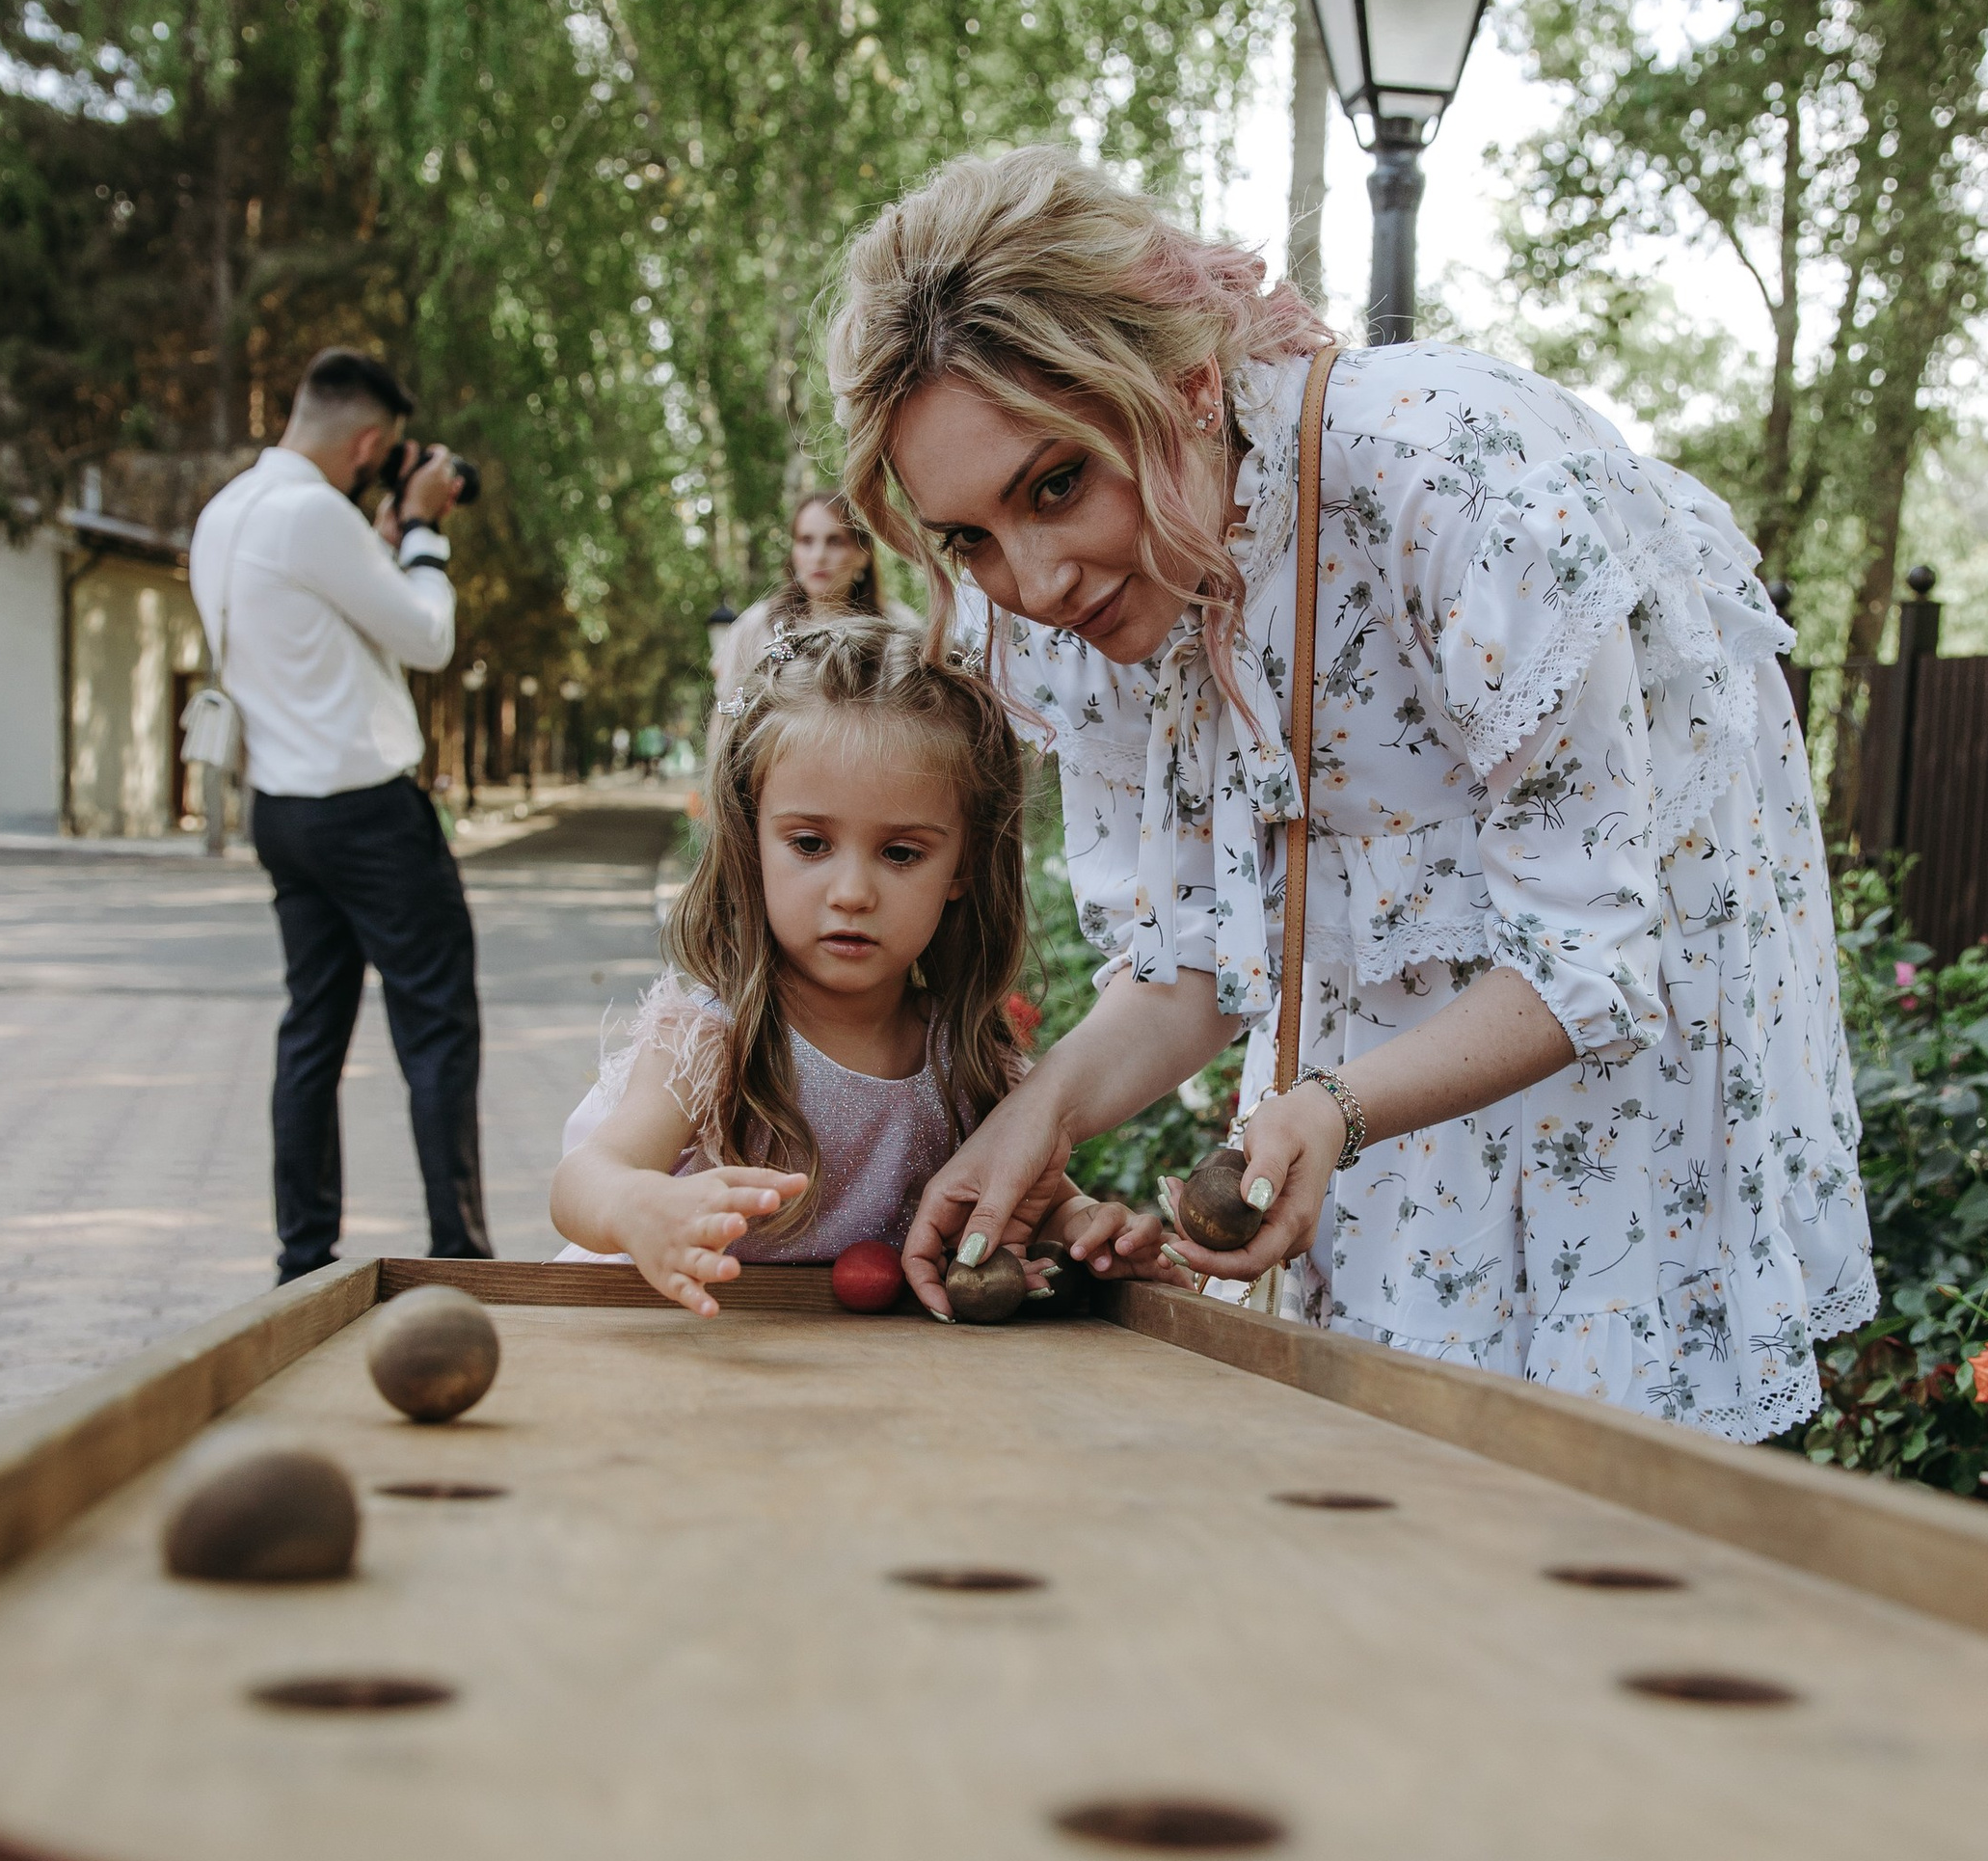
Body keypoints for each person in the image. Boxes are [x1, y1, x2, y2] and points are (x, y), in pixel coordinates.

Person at [828, 148, 1876, 1444]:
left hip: (1612, 1068)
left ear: (1191, 386)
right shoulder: (1072, 616)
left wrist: (1333, 1106)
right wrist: (1037, 1114)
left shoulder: (1457, 482)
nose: (1033, 582)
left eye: (1057, 485)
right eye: (970, 538)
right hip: (1362, 1095)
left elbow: (1590, 958)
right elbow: (1193, 966)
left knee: (1571, 1502)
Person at [551, 616, 1131, 1312]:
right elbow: (581, 1182)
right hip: (691, 1363)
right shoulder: (710, 1040)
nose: (852, 893)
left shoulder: (970, 1058)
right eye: (809, 843)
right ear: (750, 836)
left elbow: (1042, 1203)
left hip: (871, 1397)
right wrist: (635, 1205)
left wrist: (1089, 1230)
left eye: (901, 853)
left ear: (963, 866)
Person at [190, 345, 493, 1281]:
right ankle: (459, 1257)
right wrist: (427, 532)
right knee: (437, 1028)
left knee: (311, 1034)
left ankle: (304, 1260)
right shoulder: (314, 516)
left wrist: (390, 522)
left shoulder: (224, 514)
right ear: (369, 442)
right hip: (367, 815)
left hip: (281, 812)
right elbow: (429, 637)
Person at [710, 490, 883, 702]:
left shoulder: (896, 628)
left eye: (835, 541)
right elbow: (725, 721)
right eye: (806, 541)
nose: (818, 556)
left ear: (863, 554)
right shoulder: (756, 626)